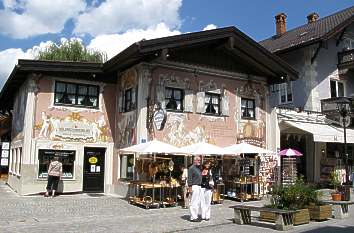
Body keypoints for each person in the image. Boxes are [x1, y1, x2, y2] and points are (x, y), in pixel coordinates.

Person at [187, 155, 203, 222]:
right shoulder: (191, 168)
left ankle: (195, 215)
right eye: (198, 160)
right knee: (193, 202)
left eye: (200, 160)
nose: (199, 161)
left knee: (197, 202)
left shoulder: (198, 168)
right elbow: (189, 178)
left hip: (199, 186)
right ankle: (193, 217)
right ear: (194, 160)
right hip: (194, 186)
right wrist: (190, 187)